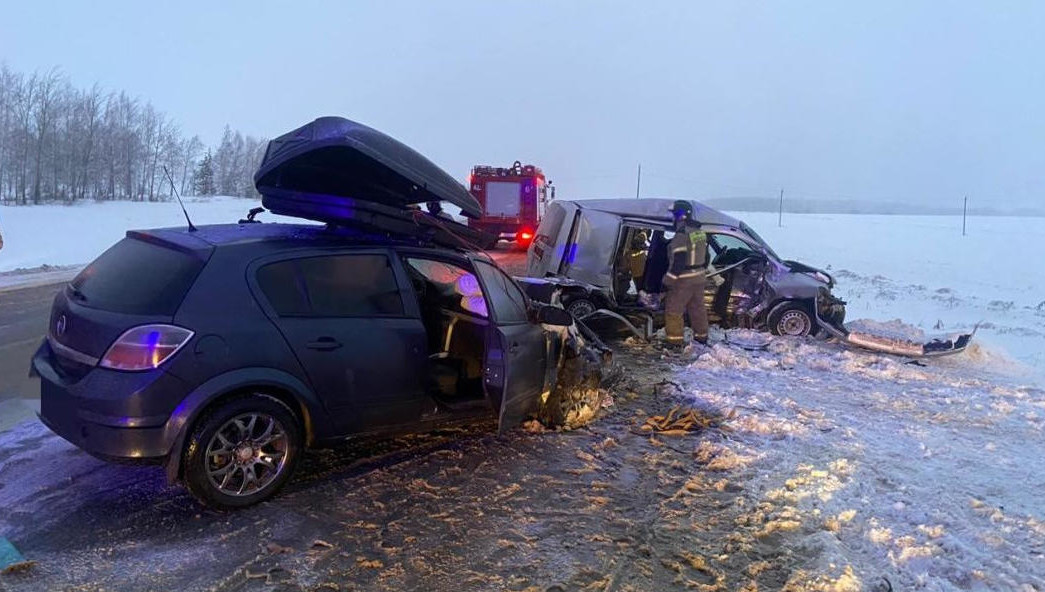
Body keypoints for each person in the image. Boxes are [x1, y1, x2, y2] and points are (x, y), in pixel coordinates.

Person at [663, 200, 709, 346]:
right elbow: (707, 257)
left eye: (674, 214)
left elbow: (679, 261)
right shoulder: (700, 233)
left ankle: (674, 342)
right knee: (697, 308)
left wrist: (668, 280)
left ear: (680, 215)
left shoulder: (681, 235)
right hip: (699, 277)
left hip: (684, 279)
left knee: (673, 310)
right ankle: (702, 337)